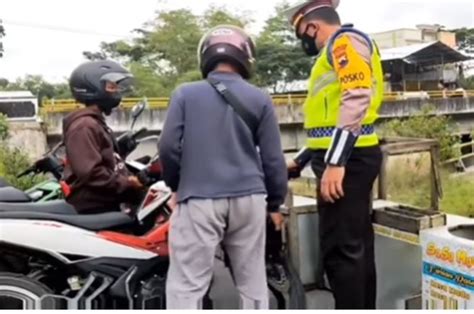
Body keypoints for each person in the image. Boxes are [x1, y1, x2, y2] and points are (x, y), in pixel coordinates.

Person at [159, 25, 288, 309]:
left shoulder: (185, 94)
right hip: (250, 199)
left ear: (205, 55)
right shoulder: (260, 98)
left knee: (187, 286)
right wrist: (276, 204)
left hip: (200, 199)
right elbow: (273, 159)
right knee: (252, 283)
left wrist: (177, 186)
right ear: (246, 56)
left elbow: (167, 147)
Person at [284, 0, 384, 309]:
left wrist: (336, 161)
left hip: (347, 161)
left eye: (303, 33)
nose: (305, 40)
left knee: (342, 252)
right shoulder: (335, 51)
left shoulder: (345, 43)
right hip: (346, 156)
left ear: (312, 27)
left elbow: (356, 99)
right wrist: (300, 160)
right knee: (355, 248)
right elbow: (328, 122)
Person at [62, 60, 143, 214]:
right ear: (93, 87)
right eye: (111, 86)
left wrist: (122, 151)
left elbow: (106, 162)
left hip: (106, 203)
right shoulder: (84, 126)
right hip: (95, 208)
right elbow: (92, 174)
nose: (116, 91)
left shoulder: (95, 122)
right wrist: (128, 183)